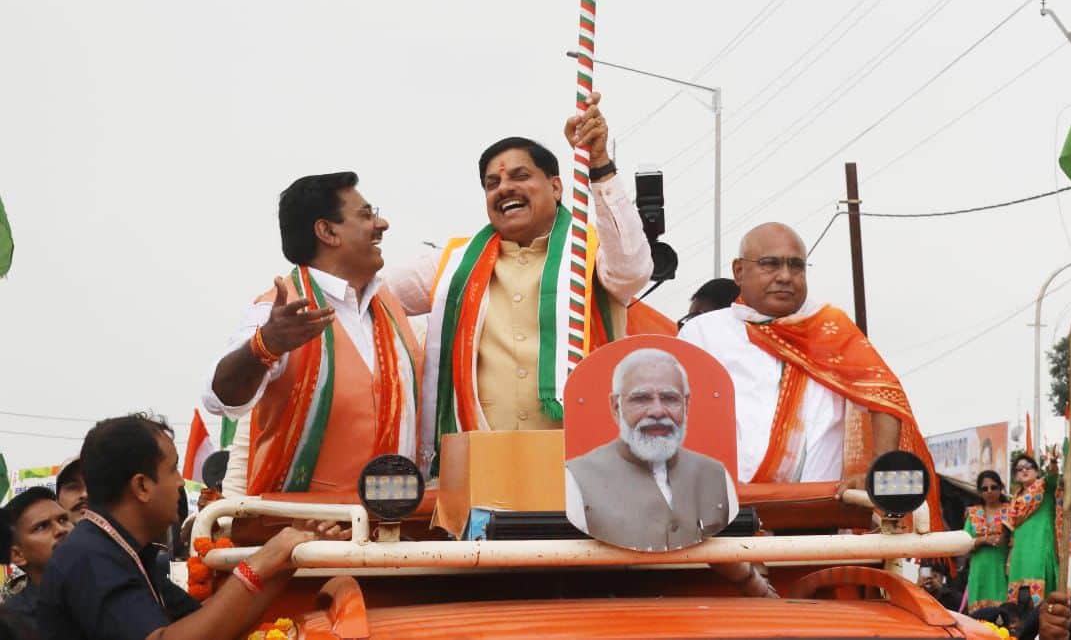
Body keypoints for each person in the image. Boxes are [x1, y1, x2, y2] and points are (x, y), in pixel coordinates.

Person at [386, 94, 653, 473]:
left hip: (584, 466)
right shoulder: (453, 265)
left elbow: (633, 270)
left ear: (556, 187)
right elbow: (370, 294)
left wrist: (599, 165)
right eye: (492, 183)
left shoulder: (592, 253)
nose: (504, 188)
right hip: (480, 470)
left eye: (520, 176)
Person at [201, 171, 420, 495]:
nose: (382, 224)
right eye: (366, 215)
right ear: (327, 231)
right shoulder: (278, 309)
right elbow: (217, 397)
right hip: (299, 524)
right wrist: (264, 346)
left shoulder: (388, 304)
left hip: (392, 519)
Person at [681, 222, 933, 492]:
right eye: (770, 264)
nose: (785, 276)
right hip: (728, 504)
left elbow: (886, 396)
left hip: (820, 504)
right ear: (739, 271)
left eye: (796, 266)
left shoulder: (829, 328)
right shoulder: (703, 333)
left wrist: (877, 474)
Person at [36, 413, 307, 640]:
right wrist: (257, 565)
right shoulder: (89, 557)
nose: (180, 482)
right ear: (142, 486)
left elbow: (209, 625)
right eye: (173, 469)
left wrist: (285, 562)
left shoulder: (122, 550)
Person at [565, 348, 737, 552]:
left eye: (669, 398)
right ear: (616, 406)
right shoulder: (575, 479)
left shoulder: (716, 475)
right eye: (641, 399)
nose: (657, 411)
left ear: (686, 405)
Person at [0, 489, 73, 625]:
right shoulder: (14, 624)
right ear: (17, 555)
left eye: (63, 520)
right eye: (41, 527)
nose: (61, 530)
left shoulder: (107, 582)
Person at [1006, 451, 1061, 605]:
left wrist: (1053, 463)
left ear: (1037, 471)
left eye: (1028, 467)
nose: (1024, 470)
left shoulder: (1044, 487)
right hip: (1019, 554)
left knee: (1041, 595)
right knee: (1018, 598)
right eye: (1019, 468)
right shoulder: (1014, 501)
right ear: (1016, 476)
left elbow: (1052, 477)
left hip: (1040, 547)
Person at [965, 470, 1012, 612]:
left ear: (1001, 488)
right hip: (979, 571)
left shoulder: (1011, 511)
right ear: (980, 492)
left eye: (994, 487)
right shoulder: (973, 513)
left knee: (1002, 614)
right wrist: (984, 540)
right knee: (978, 617)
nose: (989, 491)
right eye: (985, 489)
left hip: (1002, 570)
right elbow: (965, 543)